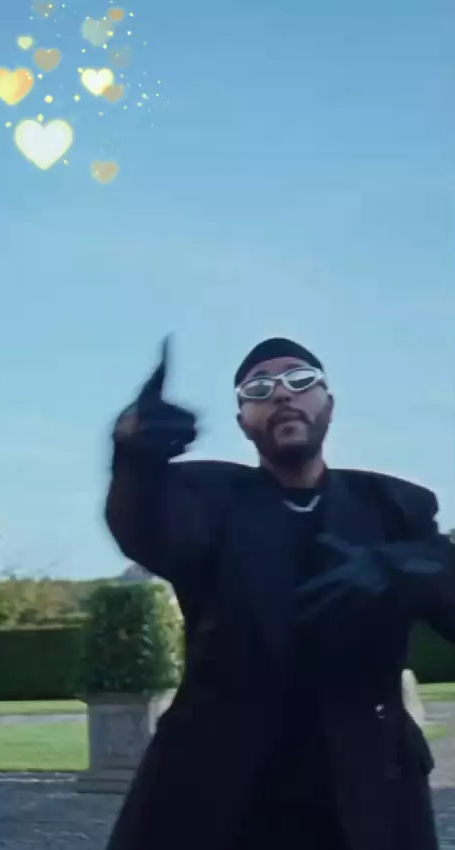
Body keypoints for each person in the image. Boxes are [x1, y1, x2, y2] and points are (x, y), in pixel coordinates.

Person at [104, 336, 455, 850]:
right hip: (222, 793)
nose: (283, 394)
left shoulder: (395, 507)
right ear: (244, 420)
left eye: (300, 381)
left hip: (366, 790)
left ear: (329, 404)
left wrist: (412, 570)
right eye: (260, 389)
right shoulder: (210, 500)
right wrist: (133, 454)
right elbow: (144, 527)